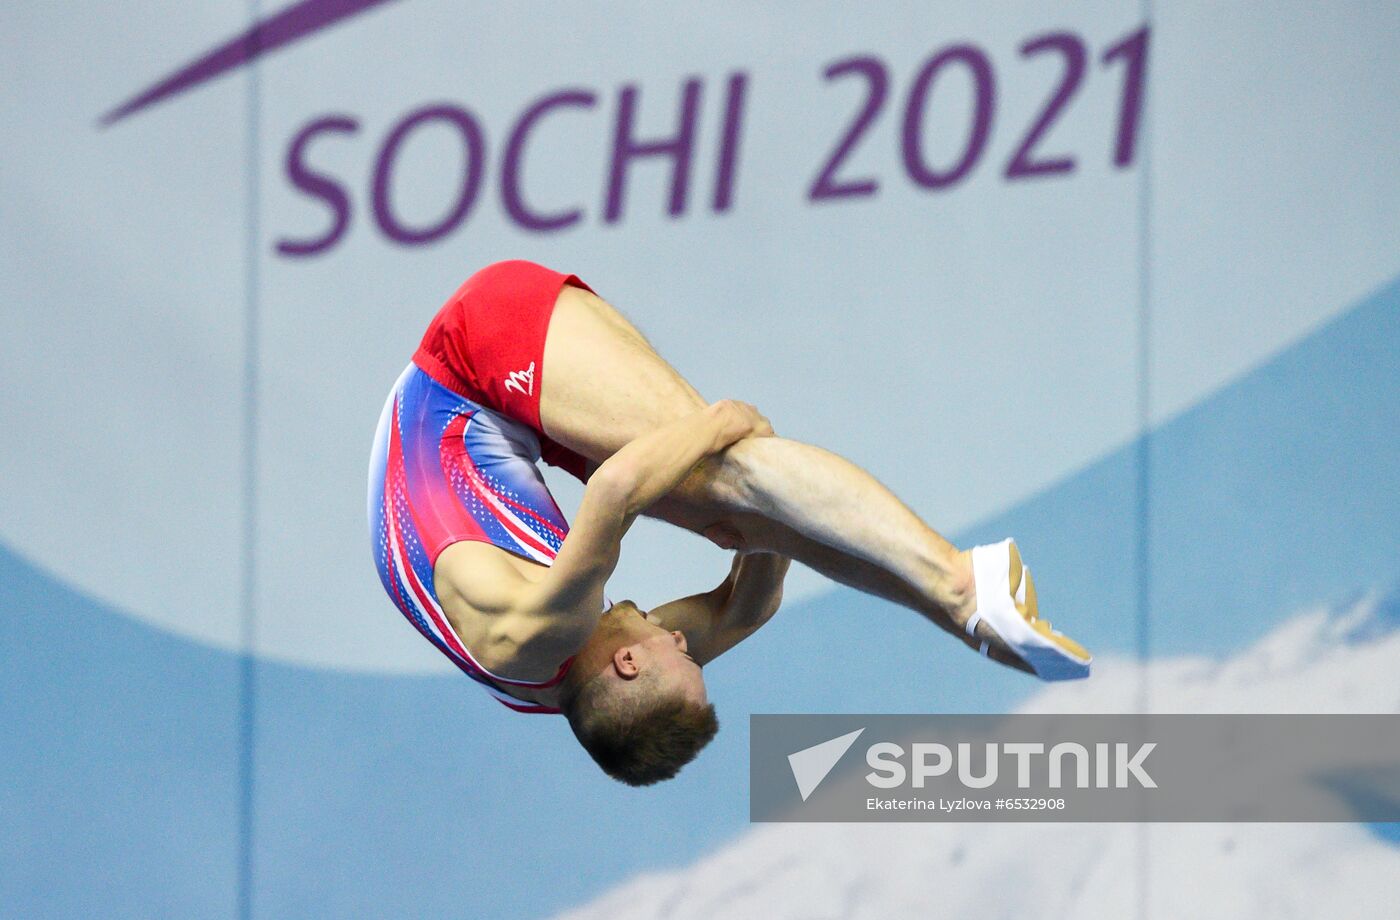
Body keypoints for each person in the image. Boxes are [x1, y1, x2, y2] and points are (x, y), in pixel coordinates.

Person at [368, 261, 1090, 786]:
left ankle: (960, 584)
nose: (683, 637)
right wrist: (763, 533)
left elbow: (617, 491)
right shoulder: (594, 683)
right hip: (512, 427)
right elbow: (747, 607)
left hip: (466, 361)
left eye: (676, 651)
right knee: (742, 513)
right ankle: (962, 617)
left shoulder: (541, 633)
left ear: (628, 665)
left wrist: (723, 423)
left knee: (730, 467)